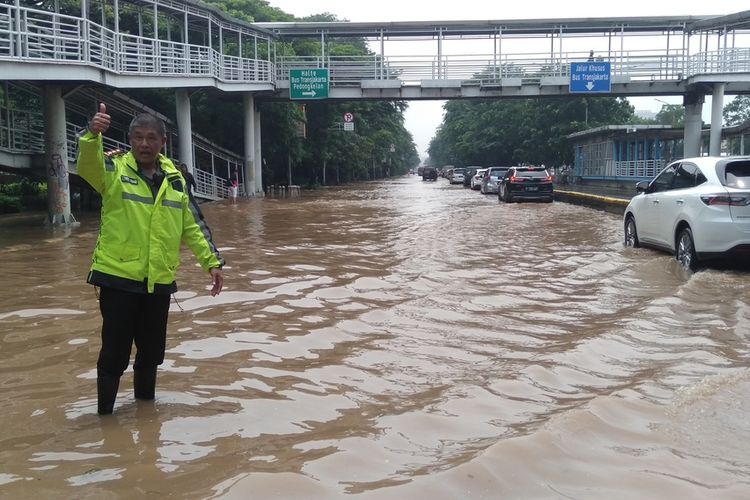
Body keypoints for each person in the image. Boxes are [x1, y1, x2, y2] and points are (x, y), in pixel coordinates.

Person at [78, 103, 225, 415]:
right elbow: (87, 168)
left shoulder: (176, 180)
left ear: (162, 142)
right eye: (138, 138)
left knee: (151, 353)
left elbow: (192, 225)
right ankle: (105, 418)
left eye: (151, 138)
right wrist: (92, 136)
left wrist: (212, 263)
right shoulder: (114, 169)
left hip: (158, 282)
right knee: (114, 355)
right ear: (130, 140)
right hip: (117, 278)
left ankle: (146, 416)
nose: (144, 144)